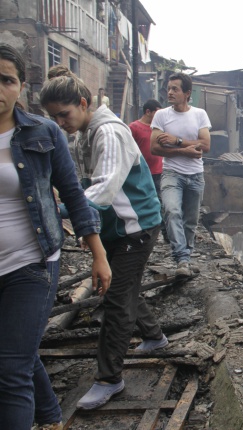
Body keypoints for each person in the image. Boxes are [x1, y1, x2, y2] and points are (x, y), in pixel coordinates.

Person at [40, 69, 169, 411]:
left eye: (63, 114)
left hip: (135, 227)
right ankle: (155, 337)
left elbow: (103, 187)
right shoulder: (86, 131)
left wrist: (67, 211)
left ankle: (110, 378)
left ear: (83, 104)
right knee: (123, 289)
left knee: (116, 301)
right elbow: (86, 181)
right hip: (118, 227)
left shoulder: (108, 132)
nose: (60, 122)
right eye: (53, 117)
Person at [0, 44, 111, 430]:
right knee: (20, 351)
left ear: (20, 86)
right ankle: (49, 418)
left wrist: (98, 253)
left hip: (32, 261)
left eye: (7, 79)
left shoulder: (42, 132)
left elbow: (75, 195)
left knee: (9, 370)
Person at [150, 72, 211, 278]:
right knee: (172, 210)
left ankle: (186, 256)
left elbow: (206, 145)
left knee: (191, 220)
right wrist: (184, 151)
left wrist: (177, 141)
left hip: (195, 175)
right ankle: (182, 259)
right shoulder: (161, 115)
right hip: (171, 173)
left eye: (175, 89)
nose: (170, 92)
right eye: (169, 88)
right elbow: (154, 148)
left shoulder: (199, 114)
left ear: (187, 93)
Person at [129, 99, 167, 241]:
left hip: (158, 171)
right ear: (148, 112)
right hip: (141, 173)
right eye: (156, 113)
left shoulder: (158, 129)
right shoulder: (134, 127)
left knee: (161, 203)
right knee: (144, 202)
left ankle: (165, 233)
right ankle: (144, 231)